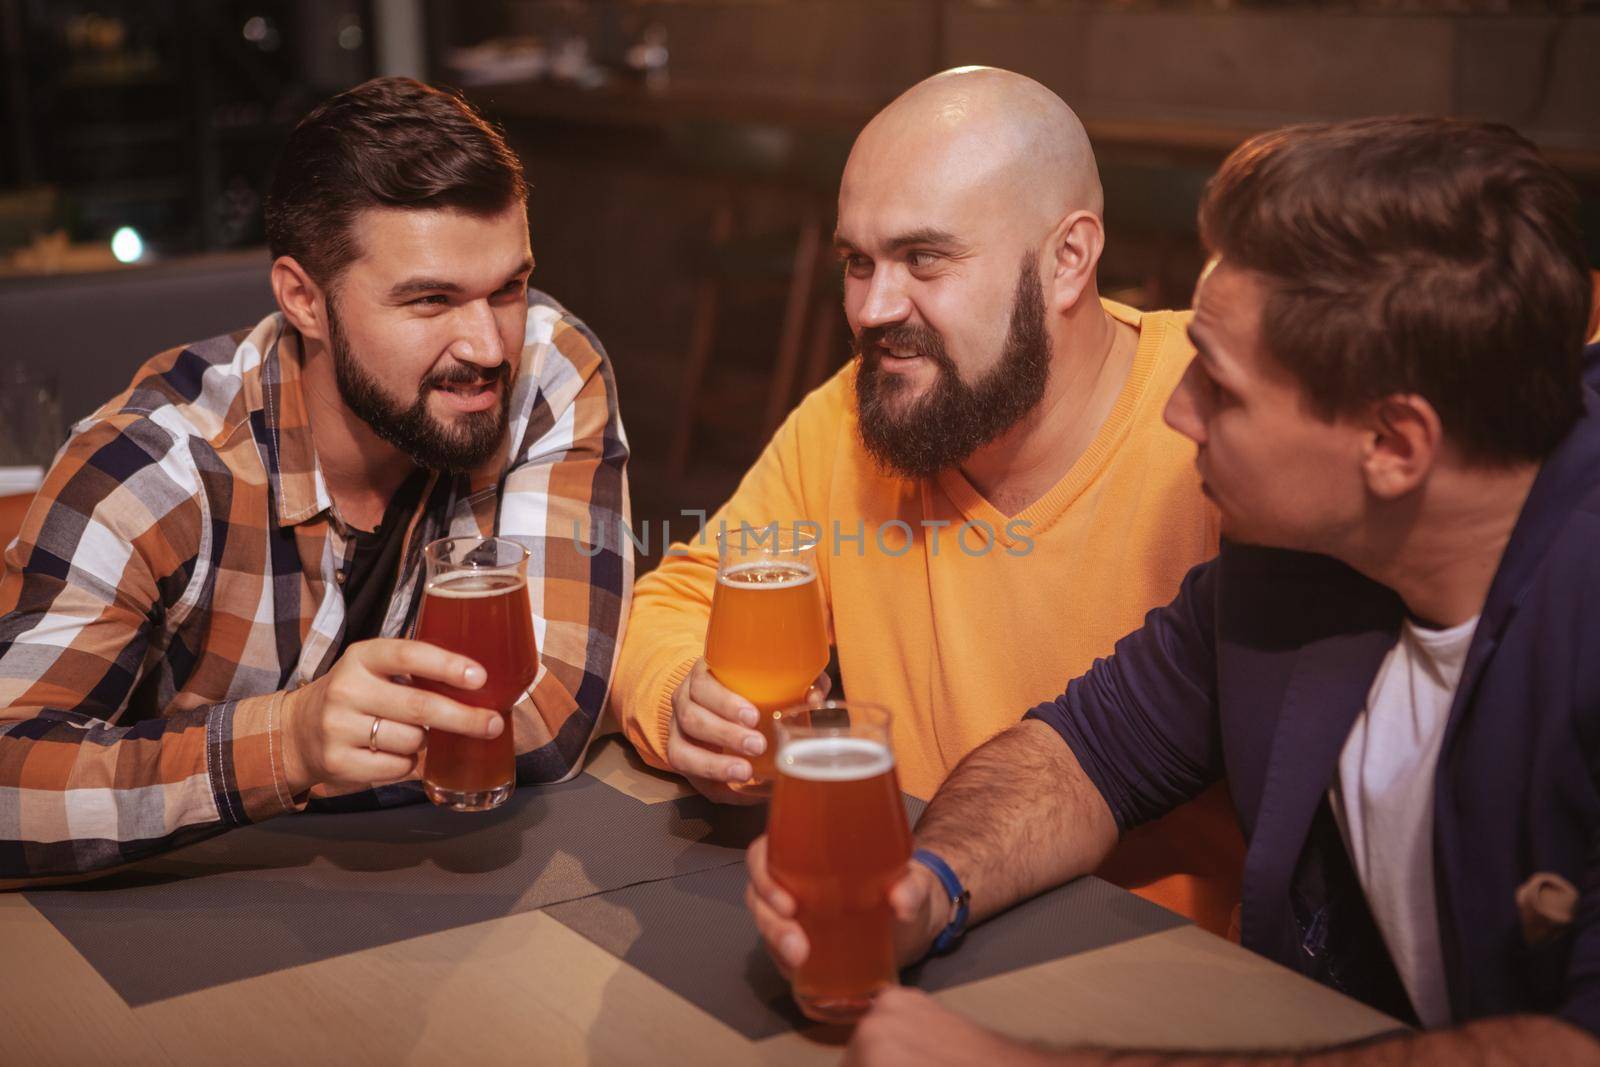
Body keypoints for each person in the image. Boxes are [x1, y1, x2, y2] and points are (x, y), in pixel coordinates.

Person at [748, 116, 1600, 1062]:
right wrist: (930, 882)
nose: (1175, 408)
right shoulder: (1298, 562)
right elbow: (1079, 755)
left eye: (1222, 389)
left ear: (1395, 445)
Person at [613, 66, 1243, 935]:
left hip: (1166, 971)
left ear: (1069, 259)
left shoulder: (1218, 422)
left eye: (924, 259)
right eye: (857, 262)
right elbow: (674, 599)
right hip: (907, 925)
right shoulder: (847, 418)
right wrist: (684, 693)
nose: (873, 308)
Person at [0, 77, 631, 880]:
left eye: (506, 287)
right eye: (431, 299)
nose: (488, 345)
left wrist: (306, 764)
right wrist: (287, 742)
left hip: (441, 900)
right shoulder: (154, 467)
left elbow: (548, 712)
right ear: (303, 298)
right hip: (185, 929)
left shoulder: (546, 368)